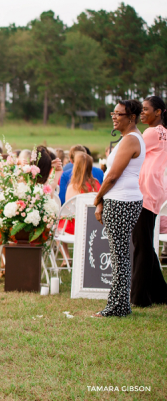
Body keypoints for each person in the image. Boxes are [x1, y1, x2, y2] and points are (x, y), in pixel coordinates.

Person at [93, 100, 146, 318]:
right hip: (122, 200)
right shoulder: (129, 138)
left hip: (122, 201)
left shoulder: (131, 140)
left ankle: (117, 307)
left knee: (119, 255)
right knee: (120, 255)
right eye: (112, 113)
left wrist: (98, 198)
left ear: (131, 117)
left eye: (119, 114)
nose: (114, 117)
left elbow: (113, 176)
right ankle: (120, 305)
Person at [0, 147, 61, 263]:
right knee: (5, 223)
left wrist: (18, 162)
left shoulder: (22, 180)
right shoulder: (49, 187)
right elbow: (55, 176)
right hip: (41, 233)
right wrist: (55, 170)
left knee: (1, 225)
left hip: (22, 233)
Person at [131, 95, 167, 307]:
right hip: (156, 188)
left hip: (144, 189)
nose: (142, 112)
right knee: (144, 243)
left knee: (141, 245)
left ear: (158, 112)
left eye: (146, 109)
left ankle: (140, 297)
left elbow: (132, 149)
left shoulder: (151, 132)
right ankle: (161, 292)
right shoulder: (164, 133)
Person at [60, 152, 101, 234]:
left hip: (75, 226)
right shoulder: (96, 184)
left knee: (59, 221)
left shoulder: (73, 187)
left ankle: (64, 247)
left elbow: (68, 210)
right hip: (93, 224)